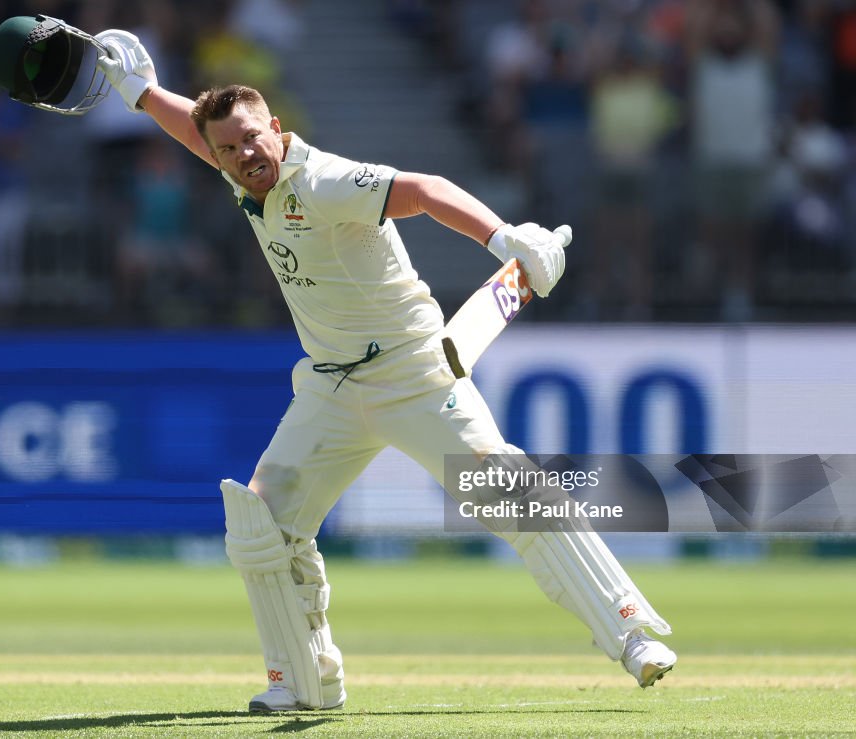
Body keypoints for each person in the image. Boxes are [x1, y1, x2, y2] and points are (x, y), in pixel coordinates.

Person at [94, 29, 677, 713]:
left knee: (509, 493)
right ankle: (306, 681)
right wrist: (141, 93)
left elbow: (426, 190)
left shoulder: (325, 181)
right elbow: (200, 136)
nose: (243, 154)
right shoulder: (241, 173)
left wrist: (507, 240)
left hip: (414, 374)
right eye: (228, 148)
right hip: (331, 387)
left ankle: (632, 630)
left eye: (252, 138)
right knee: (260, 524)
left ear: (278, 130)